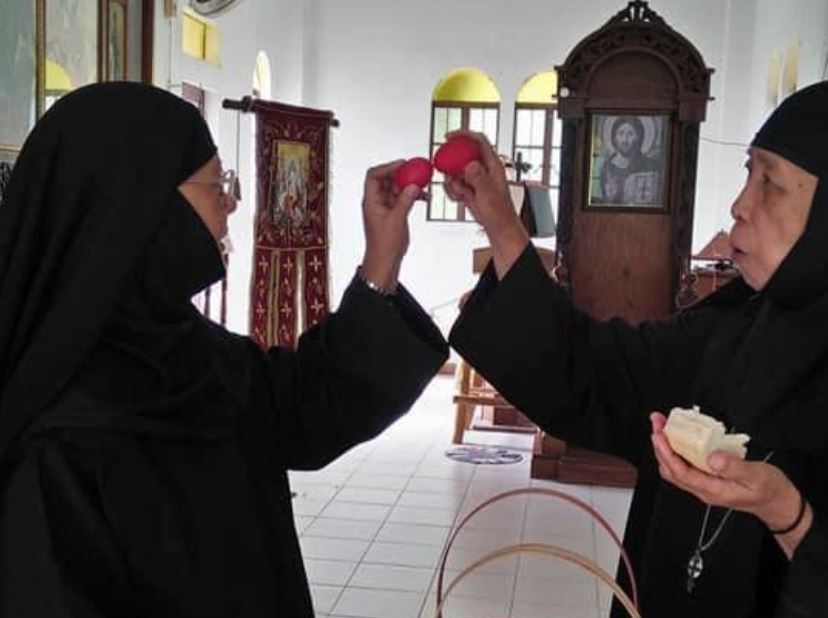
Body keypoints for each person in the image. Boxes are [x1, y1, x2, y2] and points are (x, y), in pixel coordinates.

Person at [0, 83, 448, 617]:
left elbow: (310, 405)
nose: (231, 202)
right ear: (144, 207)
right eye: (217, 184)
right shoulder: (57, 446)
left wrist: (381, 262)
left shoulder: (189, 353)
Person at [445, 82, 828, 617]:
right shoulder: (729, 326)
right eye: (748, 173)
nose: (739, 205)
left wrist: (789, 514)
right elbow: (590, 369)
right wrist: (501, 222)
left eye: (772, 184)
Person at [596, 115, 661, 206]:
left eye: (630, 134)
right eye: (620, 133)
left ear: (638, 137)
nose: (625, 140)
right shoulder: (606, 168)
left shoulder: (650, 166)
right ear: (614, 137)